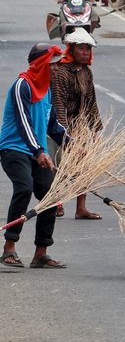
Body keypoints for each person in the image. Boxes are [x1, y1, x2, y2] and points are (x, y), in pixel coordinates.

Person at [0, 44, 67, 269]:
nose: (56, 70)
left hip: (38, 153)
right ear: (39, 65)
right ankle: (9, 248)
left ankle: (41, 253)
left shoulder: (46, 89)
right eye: (52, 65)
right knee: (24, 188)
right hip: (14, 149)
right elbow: (23, 123)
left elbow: (53, 125)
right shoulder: (22, 86)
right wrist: (38, 150)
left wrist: (74, 144)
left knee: (49, 196)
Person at [49, 29, 103, 220]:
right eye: (81, 48)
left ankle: (81, 208)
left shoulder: (86, 72)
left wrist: (95, 129)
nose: (85, 52)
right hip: (59, 126)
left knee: (84, 166)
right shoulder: (60, 73)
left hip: (79, 124)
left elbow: (90, 102)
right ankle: (56, 203)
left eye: (88, 49)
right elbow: (58, 105)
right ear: (71, 49)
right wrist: (67, 138)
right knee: (59, 166)